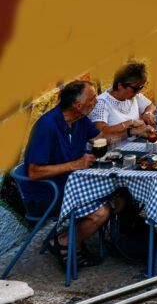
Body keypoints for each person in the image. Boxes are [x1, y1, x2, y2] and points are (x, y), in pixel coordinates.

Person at [23, 80, 111, 269]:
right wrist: (74, 164)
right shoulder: (47, 126)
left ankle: (75, 239)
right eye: (93, 99)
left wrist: (130, 130)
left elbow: (99, 138)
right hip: (46, 194)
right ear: (79, 106)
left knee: (118, 197)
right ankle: (65, 241)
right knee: (101, 213)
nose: (96, 102)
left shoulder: (79, 120)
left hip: (72, 184)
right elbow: (34, 172)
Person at [91, 61, 157, 138]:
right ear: (120, 85)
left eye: (141, 87)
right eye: (136, 88)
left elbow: (150, 105)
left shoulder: (133, 95)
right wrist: (129, 123)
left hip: (135, 145)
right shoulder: (101, 103)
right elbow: (100, 133)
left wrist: (148, 113)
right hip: (115, 148)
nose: (138, 91)